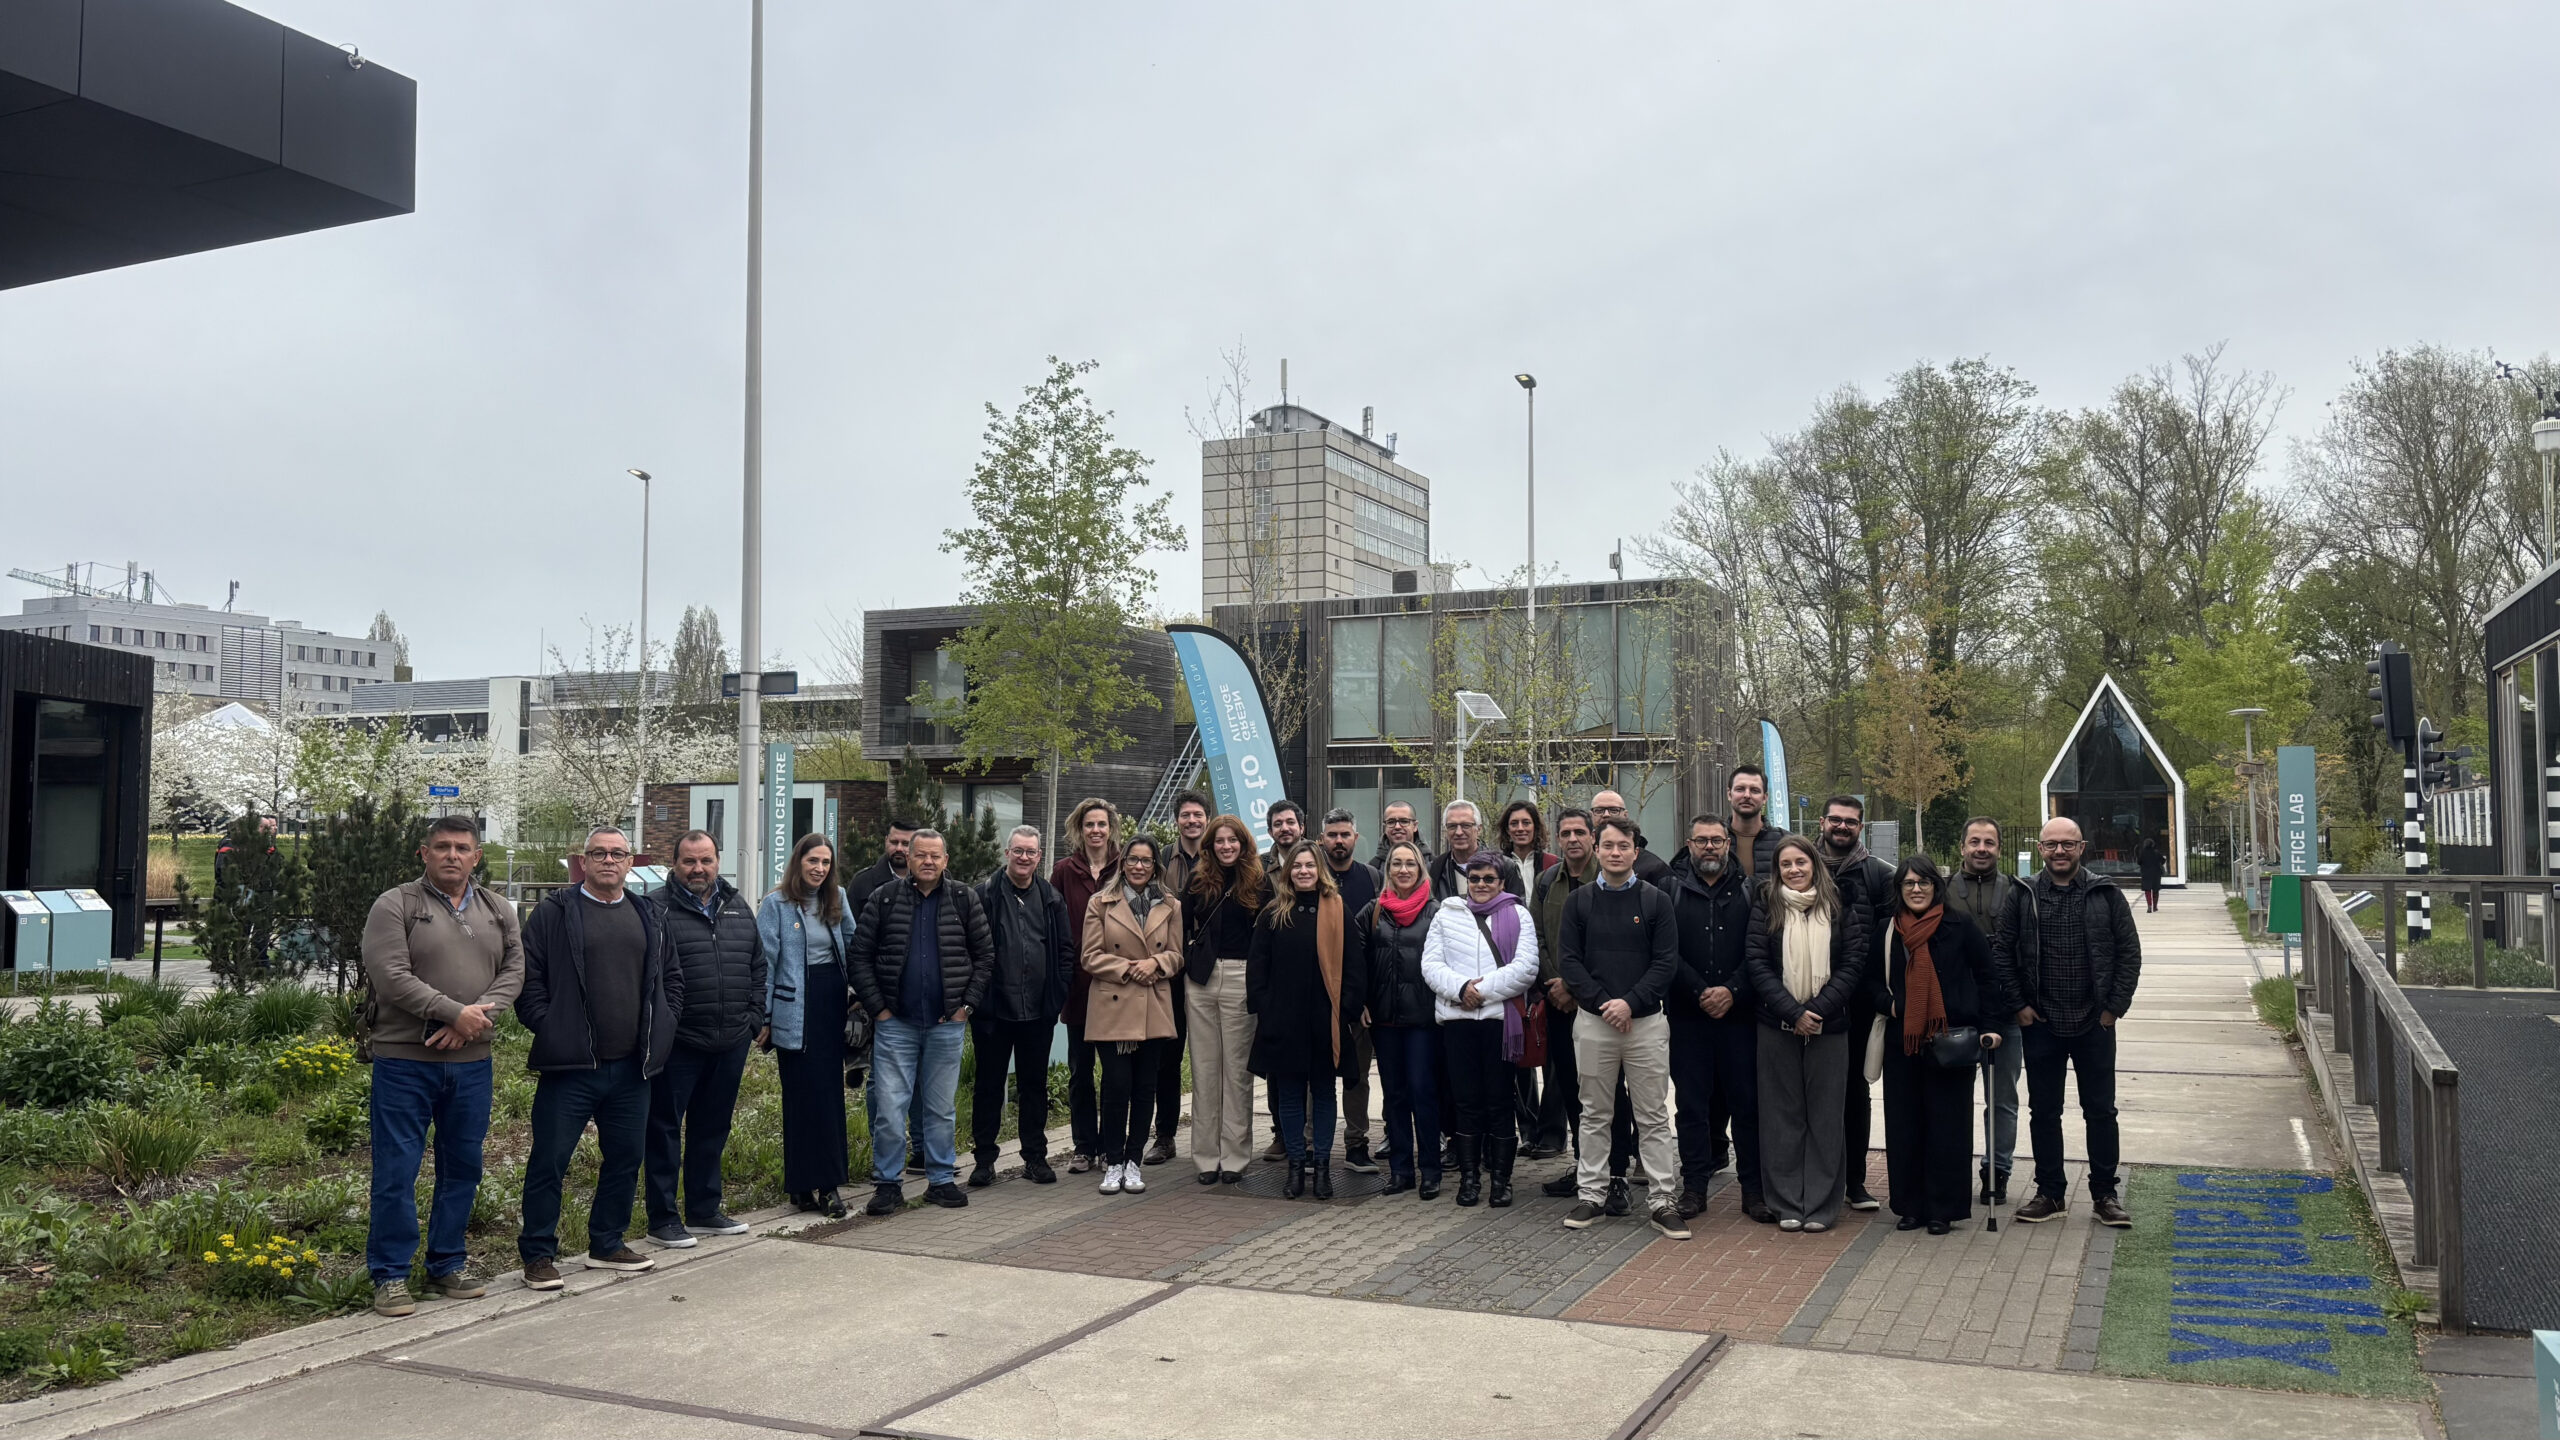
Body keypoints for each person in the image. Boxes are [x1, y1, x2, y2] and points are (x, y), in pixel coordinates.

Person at [360, 816, 524, 1316]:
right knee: (397, 1169)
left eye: (463, 848)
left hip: (472, 1063)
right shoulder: (396, 905)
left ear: (477, 856)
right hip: (406, 1062)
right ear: (424, 853)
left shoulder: (498, 909)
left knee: (463, 1167)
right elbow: (391, 976)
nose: (453, 855)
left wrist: (470, 1022)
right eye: (443, 847)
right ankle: (389, 1274)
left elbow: (515, 969)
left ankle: (447, 1261)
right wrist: (453, 1012)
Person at [515, 826, 682, 1288]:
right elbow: (529, 980)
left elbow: (672, 980)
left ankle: (606, 1243)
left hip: (633, 1068)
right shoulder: (555, 913)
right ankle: (538, 1254)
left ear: (631, 863)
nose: (609, 860)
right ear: (583, 862)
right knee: (550, 1159)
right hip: (571, 1066)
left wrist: (663, 1028)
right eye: (599, 853)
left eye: (617, 854)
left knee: (626, 1158)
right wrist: (550, 1027)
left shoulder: (648, 913)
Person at [2000, 816, 2142, 1229]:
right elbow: (2003, 953)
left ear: (2082, 847)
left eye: (2068, 844)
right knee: (2044, 1112)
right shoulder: (2022, 894)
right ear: (2040, 848)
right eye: (2051, 845)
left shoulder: (2106, 893)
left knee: (2100, 1111)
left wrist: (2114, 1008)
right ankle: (2050, 1193)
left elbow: (2128, 954)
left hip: (2094, 1023)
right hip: (2040, 1022)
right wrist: (2020, 1006)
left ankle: (2105, 1195)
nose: (2059, 851)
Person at [848, 828, 994, 1217]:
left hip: (947, 1023)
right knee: (891, 1109)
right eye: (921, 855)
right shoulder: (884, 898)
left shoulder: (964, 898)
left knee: (941, 1108)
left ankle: (942, 1180)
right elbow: (859, 957)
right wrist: (879, 1009)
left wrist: (967, 1006)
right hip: (896, 1023)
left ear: (946, 860)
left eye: (935, 856)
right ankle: (887, 1185)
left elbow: (985, 956)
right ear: (909, 860)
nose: (928, 862)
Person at [1558, 817, 1688, 1239]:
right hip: (1595, 1023)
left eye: (1623, 846)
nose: (1615, 852)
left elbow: (1666, 961)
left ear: (1636, 851)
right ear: (1596, 849)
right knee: (1594, 1113)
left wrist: (1629, 1002)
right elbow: (1569, 962)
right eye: (1608, 845)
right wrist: (1603, 1004)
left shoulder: (1655, 901)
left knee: (1651, 1114)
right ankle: (1591, 1195)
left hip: (1646, 1023)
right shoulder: (1578, 903)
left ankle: (1663, 1199)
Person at [1871, 856, 2007, 1235]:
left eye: (1924, 882)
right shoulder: (1887, 931)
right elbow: (1868, 984)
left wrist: (1992, 1026)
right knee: (1904, 1126)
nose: (1916, 889)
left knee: (1948, 1128)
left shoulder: (1960, 925)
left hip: (1952, 1044)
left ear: (1936, 886)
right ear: (1899, 890)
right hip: (1904, 1043)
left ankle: (1942, 1209)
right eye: (1908, 883)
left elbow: (1986, 977)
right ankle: (1910, 1206)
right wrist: (1891, 1004)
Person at [645, 830, 766, 1248]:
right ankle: (662, 1219)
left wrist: (752, 1019)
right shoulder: (655, 908)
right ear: (673, 864)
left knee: (711, 1128)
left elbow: (757, 966)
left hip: (730, 1039)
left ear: (718, 861)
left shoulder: (737, 906)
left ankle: (703, 1209)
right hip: (678, 1044)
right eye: (689, 861)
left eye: (706, 860)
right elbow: (647, 977)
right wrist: (663, 1028)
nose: (698, 869)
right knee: (663, 1130)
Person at [1745, 834, 1868, 1233]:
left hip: (1829, 1027)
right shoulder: (1765, 905)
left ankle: (1820, 1204)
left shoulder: (1838, 905)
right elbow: (1756, 962)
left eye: (1801, 862)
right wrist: (1792, 1012)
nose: (1794, 870)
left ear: (1814, 863)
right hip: (1776, 1026)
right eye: (1786, 864)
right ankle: (1786, 1203)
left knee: (1826, 1117)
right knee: (1782, 1117)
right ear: (1776, 870)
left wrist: (1815, 1010)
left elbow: (1853, 962)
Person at [1247, 840, 1366, 1199]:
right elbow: (1258, 967)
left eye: (1309, 866)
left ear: (1320, 870)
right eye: (1297, 866)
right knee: (1290, 1095)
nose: (1303, 871)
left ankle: (1323, 1168)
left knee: (1325, 1092)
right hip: (1284, 1019)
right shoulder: (1273, 912)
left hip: (1325, 1019)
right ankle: (1296, 1167)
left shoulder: (1337, 909)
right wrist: (1267, 1008)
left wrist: (1345, 1008)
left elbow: (1354, 964)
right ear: (1288, 871)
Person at [1423, 853, 1542, 1207]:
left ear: (1502, 882)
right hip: (1458, 1023)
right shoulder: (1446, 914)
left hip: (1498, 1024)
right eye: (1474, 878)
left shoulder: (1518, 914)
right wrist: (1461, 990)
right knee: (1466, 1103)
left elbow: (1526, 967)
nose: (1480, 885)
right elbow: (1431, 964)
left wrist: (1481, 991)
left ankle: (1501, 1181)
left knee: (1500, 1102)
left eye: (1489, 879)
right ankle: (1470, 1178)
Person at [1666, 816, 1767, 1222]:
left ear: (1728, 843)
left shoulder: (1753, 890)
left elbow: (1761, 949)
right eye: (1702, 841)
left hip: (1740, 1017)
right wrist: (1699, 991)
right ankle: (1694, 1187)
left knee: (1747, 1106)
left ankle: (1754, 1191)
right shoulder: (1669, 890)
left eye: (1717, 841)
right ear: (1689, 844)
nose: (1710, 847)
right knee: (1691, 1107)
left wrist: (1732, 990)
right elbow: (1664, 951)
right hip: (1688, 1018)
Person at [1533, 808, 1634, 1198]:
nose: (1573, 839)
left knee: (1611, 1092)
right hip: (1558, 1003)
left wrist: (1579, 989)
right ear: (1557, 839)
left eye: (1580, 832)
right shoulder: (1546, 881)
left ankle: (1618, 1172)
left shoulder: (1608, 879)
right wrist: (1554, 984)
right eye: (1565, 833)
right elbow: (1539, 937)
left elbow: (1612, 948)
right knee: (1575, 1092)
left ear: (1593, 838)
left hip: (1601, 1005)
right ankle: (1584, 1166)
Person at [757, 832, 859, 1216]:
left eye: (826, 863)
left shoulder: (838, 898)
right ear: (799, 861)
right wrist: (764, 1017)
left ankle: (829, 1185)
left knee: (827, 1097)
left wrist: (862, 995)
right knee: (800, 1098)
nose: (819, 869)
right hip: (793, 1011)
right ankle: (800, 1185)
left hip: (831, 1002)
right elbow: (765, 965)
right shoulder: (775, 904)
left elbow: (853, 944)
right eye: (813, 861)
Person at [969, 826, 1071, 1188]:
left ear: (1040, 856)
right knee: (988, 1087)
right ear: (1006, 852)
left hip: (1038, 1014)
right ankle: (983, 1160)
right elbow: (971, 950)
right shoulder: (983, 895)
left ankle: (1035, 1157)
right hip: (994, 1013)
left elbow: (1064, 952)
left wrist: (1056, 996)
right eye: (1018, 851)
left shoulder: (1050, 898)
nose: (1024, 857)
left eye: (1031, 852)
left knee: (1034, 1086)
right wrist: (976, 1001)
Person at [1081, 835, 1182, 1195]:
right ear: (1122, 862)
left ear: (1156, 865)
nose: (1139, 866)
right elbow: (1090, 956)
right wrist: (1129, 967)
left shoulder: (1170, 904)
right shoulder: (1101, 903)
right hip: (1113, 1005)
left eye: (1147, 860)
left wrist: (1154, 963)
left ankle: (1134, 1160)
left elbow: (1176, 954)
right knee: (1116, 1087)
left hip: (1152, 1005)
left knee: (1144, 1089)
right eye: (1133, 859)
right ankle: (1112, 1161)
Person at [1817, 795, 1893, 1213]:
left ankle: (1855, 1181)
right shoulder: (1799, 865)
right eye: (1836, 820)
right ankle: (1815, 1175)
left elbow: (1886, 939)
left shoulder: (1878, 875)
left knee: (1853, 1092)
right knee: (1810, 1092)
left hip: (1858, 1004)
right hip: (1804, 1000)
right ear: (1823, 822)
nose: (1842, 827)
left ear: (1861, 827)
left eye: (1851, 821)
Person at [1947, 817, 2027, 1205]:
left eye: (1989, 843)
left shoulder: (2019, 891)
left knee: (2002, 1099)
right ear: (1961, 846)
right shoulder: (1943, 891)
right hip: (1956, 1015)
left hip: (2006, 1013)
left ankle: (1997, 1170)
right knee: (1951, 1099)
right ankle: (1949, 1170)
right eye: (1974, 841)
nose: (1982, 849)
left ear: (1999, 848)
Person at [1183, 814, 1266, 1182]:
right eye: (1220, 841)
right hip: (1200, 980)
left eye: (1233, 840)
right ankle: (1204, 1158)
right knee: (1204, 1071)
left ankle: (1234, 1158)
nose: (1227, 846)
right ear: (1210, 845)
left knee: (1236, 1074)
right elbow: (1181, 925)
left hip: (1241, 978)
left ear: (1244, 843)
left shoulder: (1260, 884)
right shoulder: (1198, 880)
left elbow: (1267, 939)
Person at [1363, 840, 1442, 1198]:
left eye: (1410, 863)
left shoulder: (1436, 911)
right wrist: (1361, 1001)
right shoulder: (1373, 911)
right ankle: (1400, 1170)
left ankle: (1430, 1170)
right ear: (1388, 869)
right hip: (1385, 1019)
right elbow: (1356, 960)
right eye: (1397, 864)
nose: (1404, 870)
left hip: (1423, 1020)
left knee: (1423, 1092)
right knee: (1393, 1095)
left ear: (1420, 868)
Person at [1051, 798, 1120, 1176]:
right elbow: (1053, 925)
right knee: (1080, 1070)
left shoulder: (1125, 866)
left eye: (1102, 824)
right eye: (1089, 824)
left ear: (1111, 829)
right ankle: (1083, 1147)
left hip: (1115, 985)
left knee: (1113, 1072)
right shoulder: (1064, 871)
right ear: (1080, 829)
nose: (1096, 830)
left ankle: (1111, 1147)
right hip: (1077, 985)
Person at [1148, 793, 1212, 1167]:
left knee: (1208, 1059)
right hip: (1169, 973)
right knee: (1167, 1060)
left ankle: (1211, 1135)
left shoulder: (1219, 855)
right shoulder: (1161, 860)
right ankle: (1165, 1136)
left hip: (1206, 970)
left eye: (1198, 814)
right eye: (1186, 815)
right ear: (1177, 820)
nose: (1192, 821)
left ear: (1207, 818)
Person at [1318, 808, 1380, 1173]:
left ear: (1356, 838)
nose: (1338, 841)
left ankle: (1357, 1144)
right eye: (1331, 835)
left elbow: (1375, 943)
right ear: (1321, 838)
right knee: (1318, 1076)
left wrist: (1364, 998)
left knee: (1356, 1076)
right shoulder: (1309, 875)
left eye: (1344, 834)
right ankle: (1313, 1146)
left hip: (1360, 997)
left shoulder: (1371, 878)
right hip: (1318, 994)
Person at [1428, 799, 1523, 899]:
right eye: (1452, 826)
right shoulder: (1434, 870)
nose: (1459, 832)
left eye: (1466, 825)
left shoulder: (1505, 866)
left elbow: (1517, 909)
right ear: (1445, 831)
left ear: (1479, 829)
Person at [1589, 790, 1670, 884]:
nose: (1606, 814)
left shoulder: (1653, 868)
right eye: (1599, 810)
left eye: (1614, 810)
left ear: (1625, 815)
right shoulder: (1579, 859)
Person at [1726, 765, 1787, 882]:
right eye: (1740, 789)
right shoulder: (1713, 842)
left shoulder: (1785, 841)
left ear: (1765, 798)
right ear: (1729, 794)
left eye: (1755, 790)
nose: (1747, 795)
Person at [844, 818, 915, 913]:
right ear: (886, 841)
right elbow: (850, 925)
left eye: (906, 844)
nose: (899, 848)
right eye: (894, 842)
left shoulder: (930, 882)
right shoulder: (862, 882)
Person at [1499, 800, 1559, 878]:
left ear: (1536, 827)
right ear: (1507, 830)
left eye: (1526, 823)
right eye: (1514, 824)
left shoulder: (1552, 863)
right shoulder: (1497, 864)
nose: (1520, 828)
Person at [1372, 800, 1429, 869]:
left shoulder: (1435, 867)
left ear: (1415, 826)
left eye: (1404, 821)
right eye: (1391, 822)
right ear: (1384, 828)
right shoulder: (1373, 870)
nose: (1397, 827)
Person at [1263, 800, 1307, 868]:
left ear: (1301, 828)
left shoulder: (1320, 859)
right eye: (1278, 824)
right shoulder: (1259, 866)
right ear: (1270, 832)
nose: (1284, 828)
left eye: (1290, 822)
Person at [2136, 834, 2166, 913]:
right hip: (2156, 873)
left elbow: (2139, 862)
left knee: (2147, 890)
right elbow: (2163, 860)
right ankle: (2155, 907)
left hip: (2146, 874)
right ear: (2152, 845)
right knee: (2155, 890)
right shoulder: (2156, 852)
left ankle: (2149, 906)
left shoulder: (2142, 853)